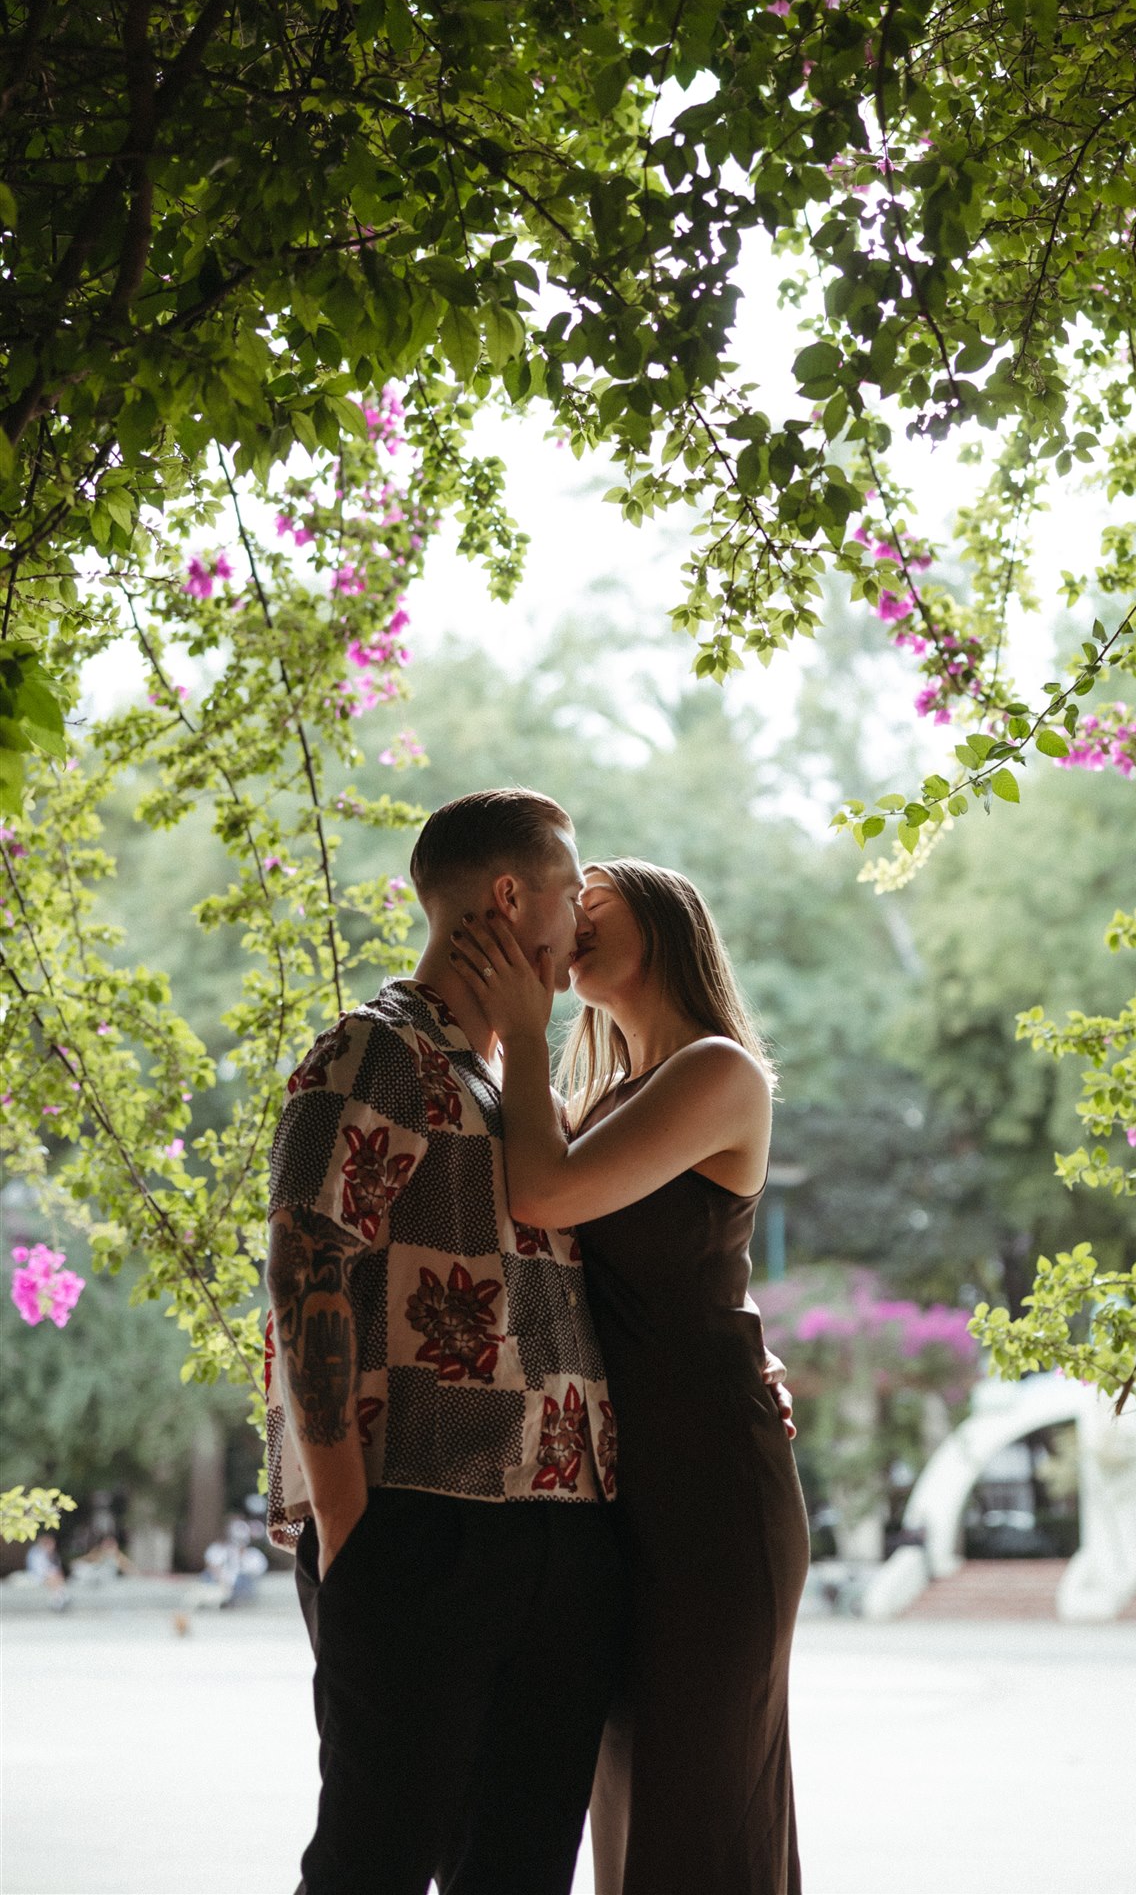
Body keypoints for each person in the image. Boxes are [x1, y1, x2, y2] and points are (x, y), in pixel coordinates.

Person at [264, 789, 625, 1895]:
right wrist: (351, 1529)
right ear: (510, 895)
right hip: (419, 1527)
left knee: (518, 1869)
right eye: (568, 890)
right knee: (375, 1860)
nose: (580, 921)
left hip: (560, 1531)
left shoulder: (505, 1075)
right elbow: (304, 1267)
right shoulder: (375, 1051)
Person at [451, 857, 809, 1895]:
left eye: (596, 910)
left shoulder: (718, 1069)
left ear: (666, 924)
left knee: (697, 1800)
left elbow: (546, 1194)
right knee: (628, 1792)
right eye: (574, 913)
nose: (574, 929)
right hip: (615, 1484)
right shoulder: (596, 1093)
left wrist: (521, 1030)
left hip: (708, 1477)